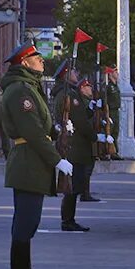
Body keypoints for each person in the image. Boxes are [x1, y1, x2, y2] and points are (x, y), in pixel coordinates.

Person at [0, 43, 71, 269]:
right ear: (24, 63)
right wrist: (57, 160)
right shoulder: (20, 90)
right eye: (36, 57)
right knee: (25, 222)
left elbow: (42, 125)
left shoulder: (29, 87)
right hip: (28, 162)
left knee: (28, 222)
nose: (41, 61)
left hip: (32, 161)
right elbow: (31, 131)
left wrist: (58, 130)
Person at [53, 75, 95, 232]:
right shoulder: (69, 95)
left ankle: (68, 219)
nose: (76, 74)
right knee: (72, 186)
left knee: (73, 185)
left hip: (72, 145)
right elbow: (80, 121)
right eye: (73, 72)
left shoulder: (63, 93)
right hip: (76, 147)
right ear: (66, 74)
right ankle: (68, 221)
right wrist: (94, 136)